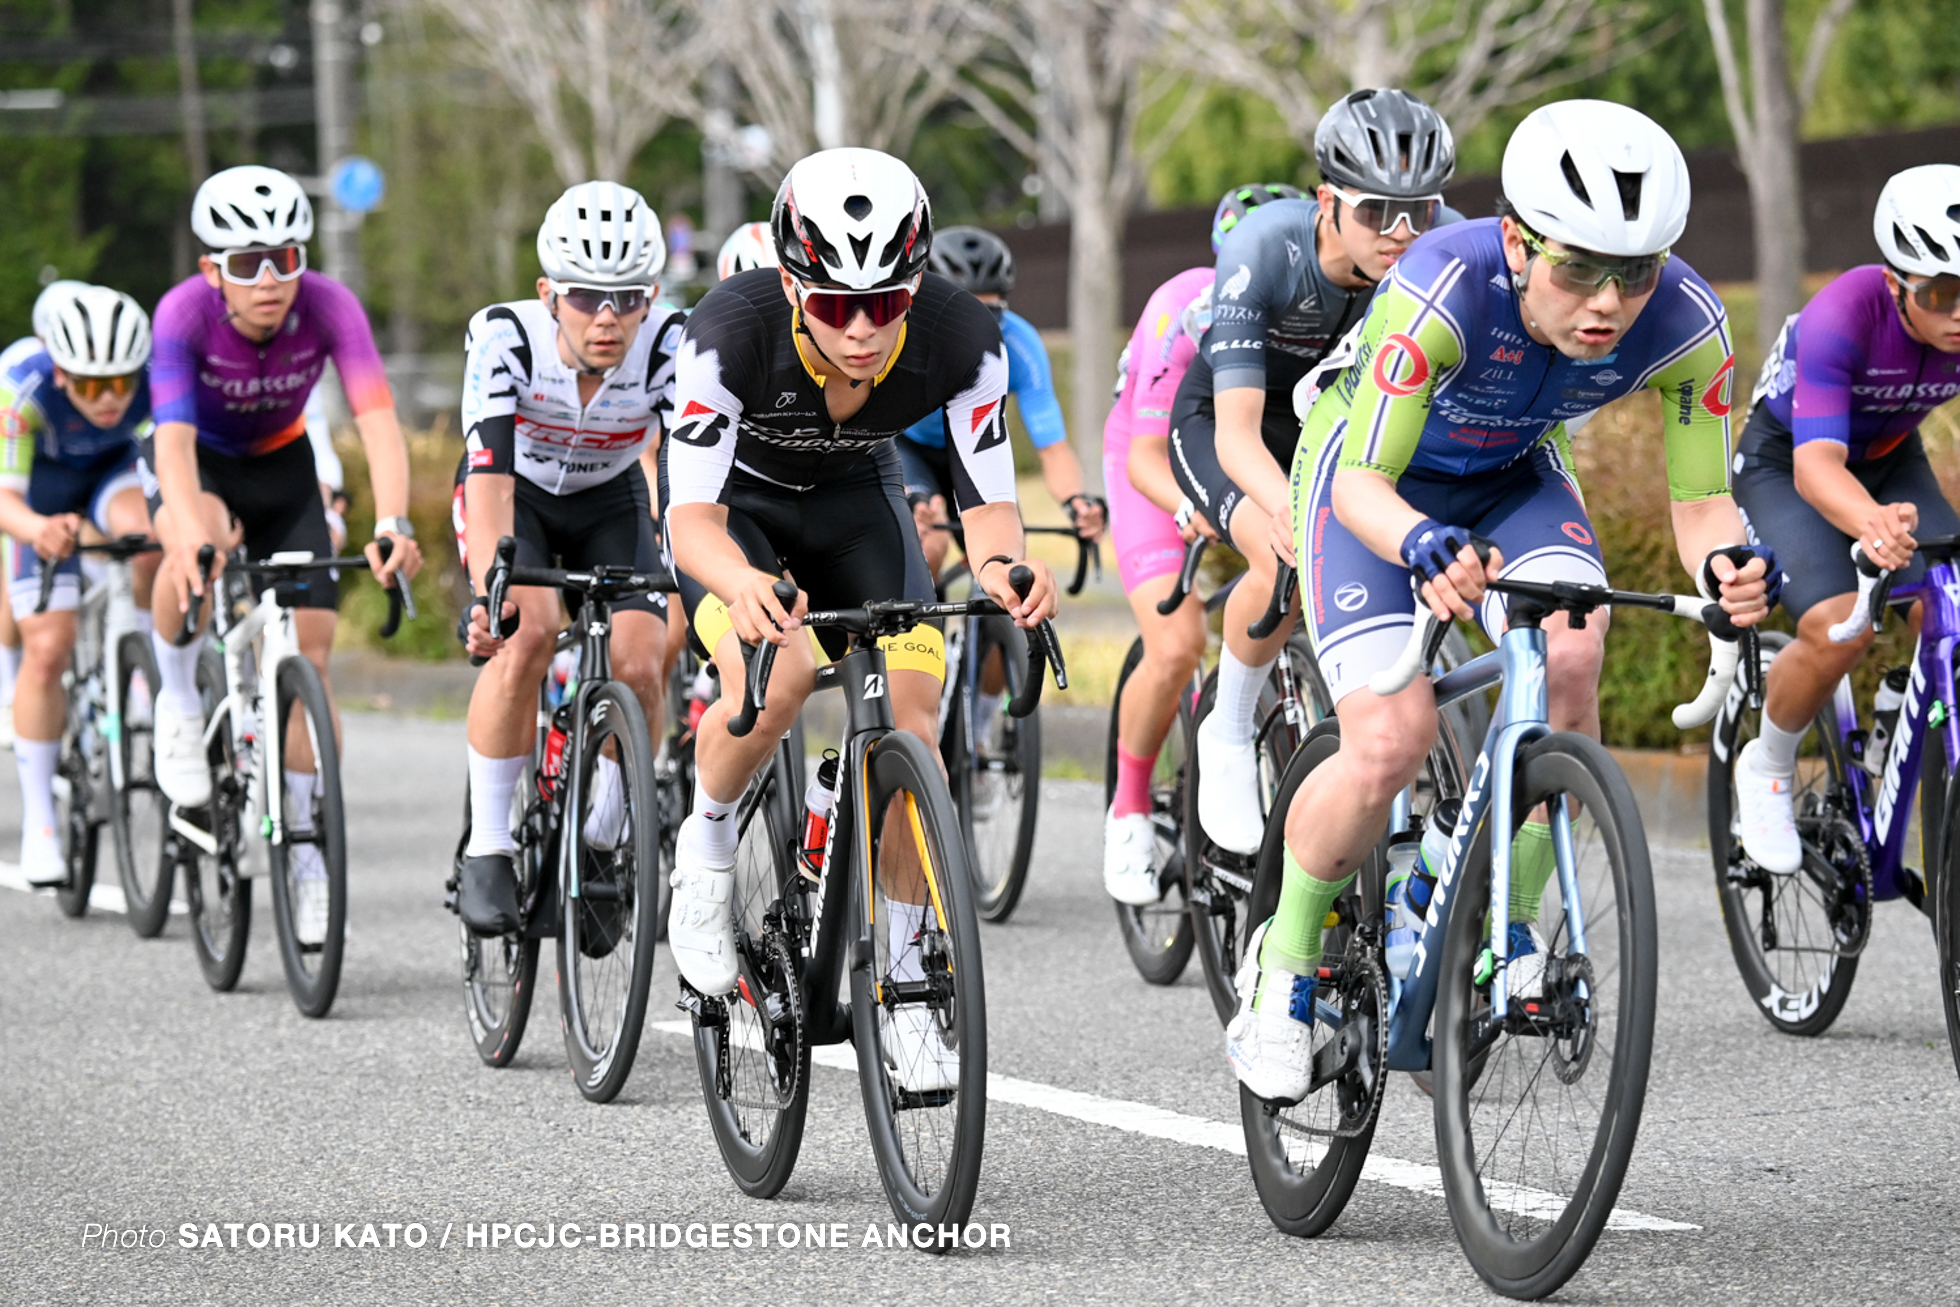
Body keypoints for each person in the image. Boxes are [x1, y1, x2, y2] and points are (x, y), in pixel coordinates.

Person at [1227, 100, 1779, 1101]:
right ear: (1519, 244)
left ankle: (1502, 920)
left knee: (1571, 655)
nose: (1607, 302)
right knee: (1388, 741)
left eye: (1635, 271)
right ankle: (1283, 959)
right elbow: (1360, 485)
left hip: (1513, 478)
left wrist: (1731, 567)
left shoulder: (1689, 324)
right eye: (1578, 269)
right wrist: (1417, 542)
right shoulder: (1438, 286)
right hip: (1369, 483)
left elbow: (1701, 503)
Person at [662, 147, 1058, 1091]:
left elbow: (988, 504)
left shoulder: (966, 341)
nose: (863, 329)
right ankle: (707, 848)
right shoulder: (725, 334)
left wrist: (1007, 570)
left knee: (915, 713)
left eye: (886, 304)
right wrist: (740, 586)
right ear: (793, 283)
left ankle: (912, 969)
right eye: (837, 306)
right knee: (786, 673)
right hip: (739, 516)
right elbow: (688, 523)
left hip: (858, 501)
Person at [1173, 89, 1460, 858]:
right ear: (1327, 202)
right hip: (1238, 423)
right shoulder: (1267, 248)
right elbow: (1233, 433)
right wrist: (1291, 511)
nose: (1401, 235)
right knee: (1289, 555)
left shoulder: (1453, 245)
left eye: (1419, 213)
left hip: (1346, 426)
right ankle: (1228, 725)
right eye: (1376, 213)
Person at [143, 164, 423, 944]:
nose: (269, 280)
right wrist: (191, 530)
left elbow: (376, 421)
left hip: (283, 467)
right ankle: (178, 696)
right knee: (186, 548)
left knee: (311, 656)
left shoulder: (331, 307)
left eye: (286, 258)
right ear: (211, 271)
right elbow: (169, 443)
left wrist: (394, 518)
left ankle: (306, 849)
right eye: (245, 264)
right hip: (198, 461)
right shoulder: (182, 315)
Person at [454, 181, 687, 935]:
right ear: (549, 293)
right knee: (526, 632)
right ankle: (489, 845)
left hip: (610, 496)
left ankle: (602, 839)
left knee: (643, 657)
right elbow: (487, 480)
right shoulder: (504, 338)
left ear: (651, 295)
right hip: (517, 491)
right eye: (588, 296)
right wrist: (494, 591)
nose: (609, 317)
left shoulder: (674, 344)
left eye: (628, 296)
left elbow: (690, 482)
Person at [1729, 164, 1960, 874]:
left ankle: (1903, 703)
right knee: (1838, 625)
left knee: (1947, 604)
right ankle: (1765, 764)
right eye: (1943, 293)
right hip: (1789, 461)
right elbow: (1816, 468)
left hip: (1891, 456)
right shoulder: (1844, 312)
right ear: (1897, 284)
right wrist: (1873, 525)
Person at [1099, 185, 1299, 904]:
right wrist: (1188, 504)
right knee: (1178, 641)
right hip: (1153, 460)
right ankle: (1129, 810)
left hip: (1252, 444)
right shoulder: (1182, 303)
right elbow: (1145, 453)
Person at [0, 285, 158, 884]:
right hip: (39, 491)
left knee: (147, 539)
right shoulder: (20, 387)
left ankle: (143, 668)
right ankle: (40, 821)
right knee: (45, 648)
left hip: (112, 474)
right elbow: (4, 499)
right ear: (61, 373)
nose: (112, 398)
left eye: (122, 382)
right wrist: (39, 530)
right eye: (93, 387)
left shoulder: (151, 379)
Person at [896, 225, 1104, 580]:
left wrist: (1076, 502)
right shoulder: (900, 336)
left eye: (992, 313)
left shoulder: (1020, 344)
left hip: (972, 451)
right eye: (962, 311)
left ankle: (994, 636)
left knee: (1008, 563)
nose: (977, 325)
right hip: (910, 448)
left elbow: (1052, 446)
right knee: (928, 545)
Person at [0, 279, 94, 744]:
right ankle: (6, 681)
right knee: (11, 547)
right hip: (29, 469)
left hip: (85, 468)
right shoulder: (19, 364)